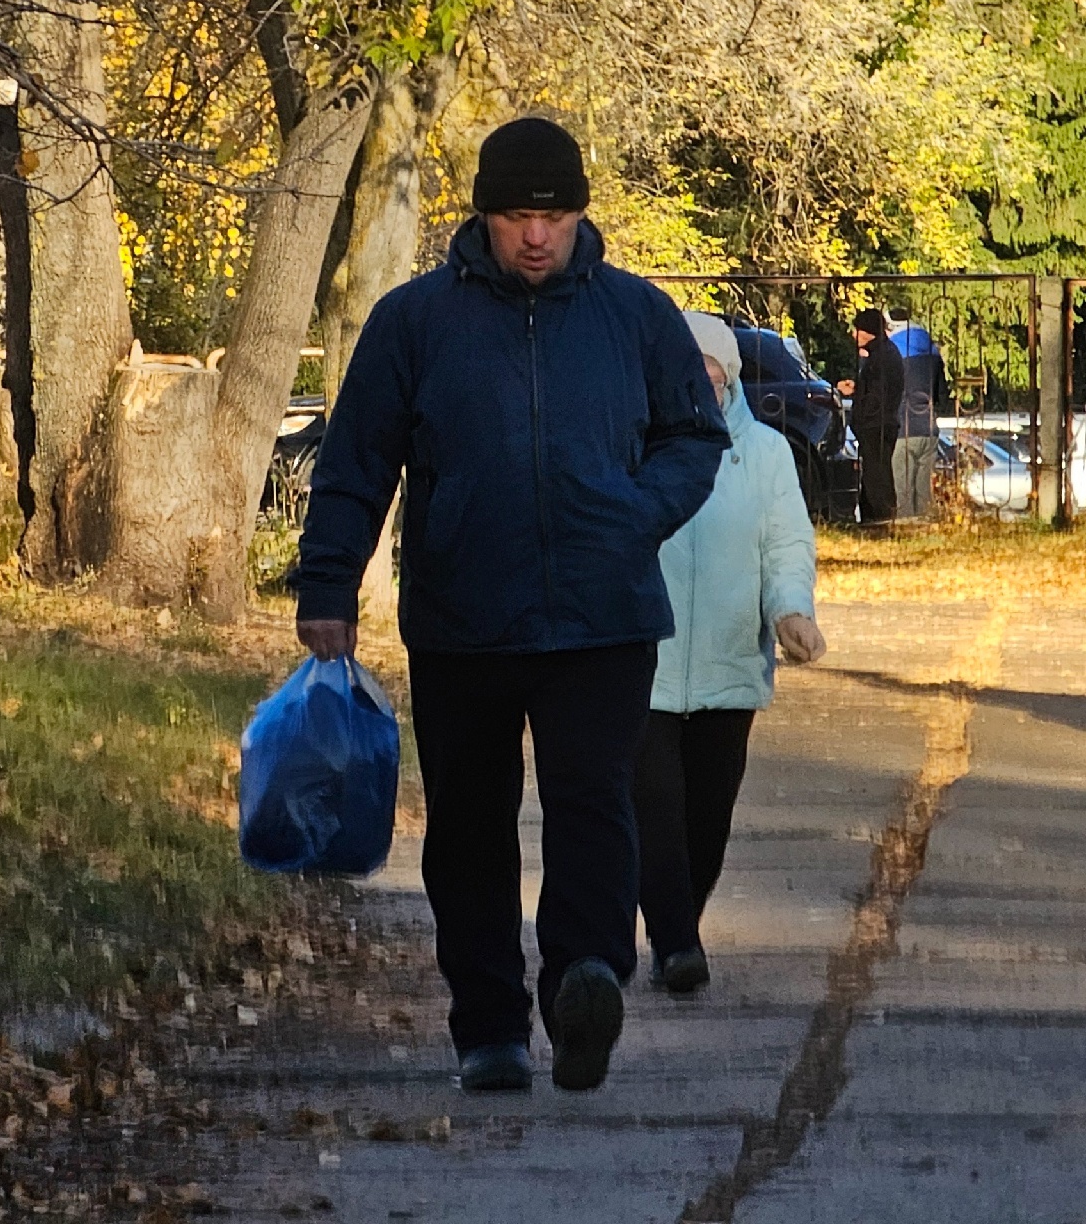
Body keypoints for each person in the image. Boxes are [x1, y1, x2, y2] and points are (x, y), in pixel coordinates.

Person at [289, 116, 730, 1095]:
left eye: (555, 214)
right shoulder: (415, 323)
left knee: (592, 805)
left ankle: (585, 978)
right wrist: (326, 584)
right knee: (468, 825)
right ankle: (488, 1026)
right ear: (483, 216)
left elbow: (694, 440)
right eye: (517, 215)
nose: (536, 235)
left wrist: (634, 514)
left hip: (603, 616)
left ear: (580, 213)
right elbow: (357, 460)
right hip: (462, 618)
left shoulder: (635, 317)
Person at [635, 313, 826, 992]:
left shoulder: (767, 455)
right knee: (654, 807)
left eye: (709, 371)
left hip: (731, 660)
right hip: (645, 666)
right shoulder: (634, 443)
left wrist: (791, 612)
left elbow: (785, 546)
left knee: (707, 818)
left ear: (730, 378)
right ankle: (675, 943)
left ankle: (677, 922)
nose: (698, 383)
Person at [838, 309, 904, 525]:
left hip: (876, 426)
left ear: (868, 331)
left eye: (858, 330)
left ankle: (880, 521)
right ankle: (872, 521)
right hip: (878, 424)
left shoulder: (881, 357)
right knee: (874, 475)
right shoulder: (882, 353)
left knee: (877, 478)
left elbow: (878, 396)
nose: (854, 335)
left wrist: (861, 410)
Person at [888, 309, 948, 521]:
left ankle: (906, 533)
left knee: (902, 488)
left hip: (903, 427)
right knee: (924, 491)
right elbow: (942, 393)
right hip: (929, 428)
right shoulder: (932, 350)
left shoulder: (892, 350)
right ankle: (925, 529)